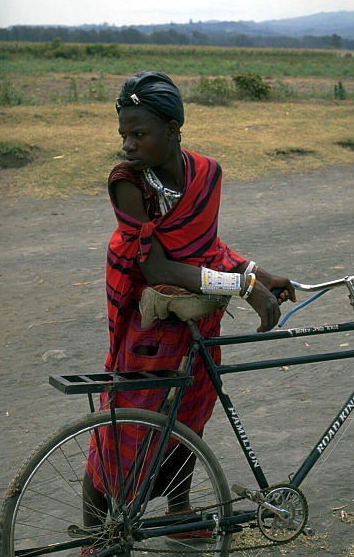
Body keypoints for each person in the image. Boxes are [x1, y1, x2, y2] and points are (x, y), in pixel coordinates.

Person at [82, 71, 295, 549]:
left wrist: (258, 273)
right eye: (124, 135)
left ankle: (180, 511)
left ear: (175, 129)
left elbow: (207, 246)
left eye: (140, 134)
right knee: (125, 426)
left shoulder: (207, 174)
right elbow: (157, 266)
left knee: (190, 413)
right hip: (149, 319)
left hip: (198, 315)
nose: (129, 145)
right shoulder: (127, 183)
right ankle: (96, 537)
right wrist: (242, 284)